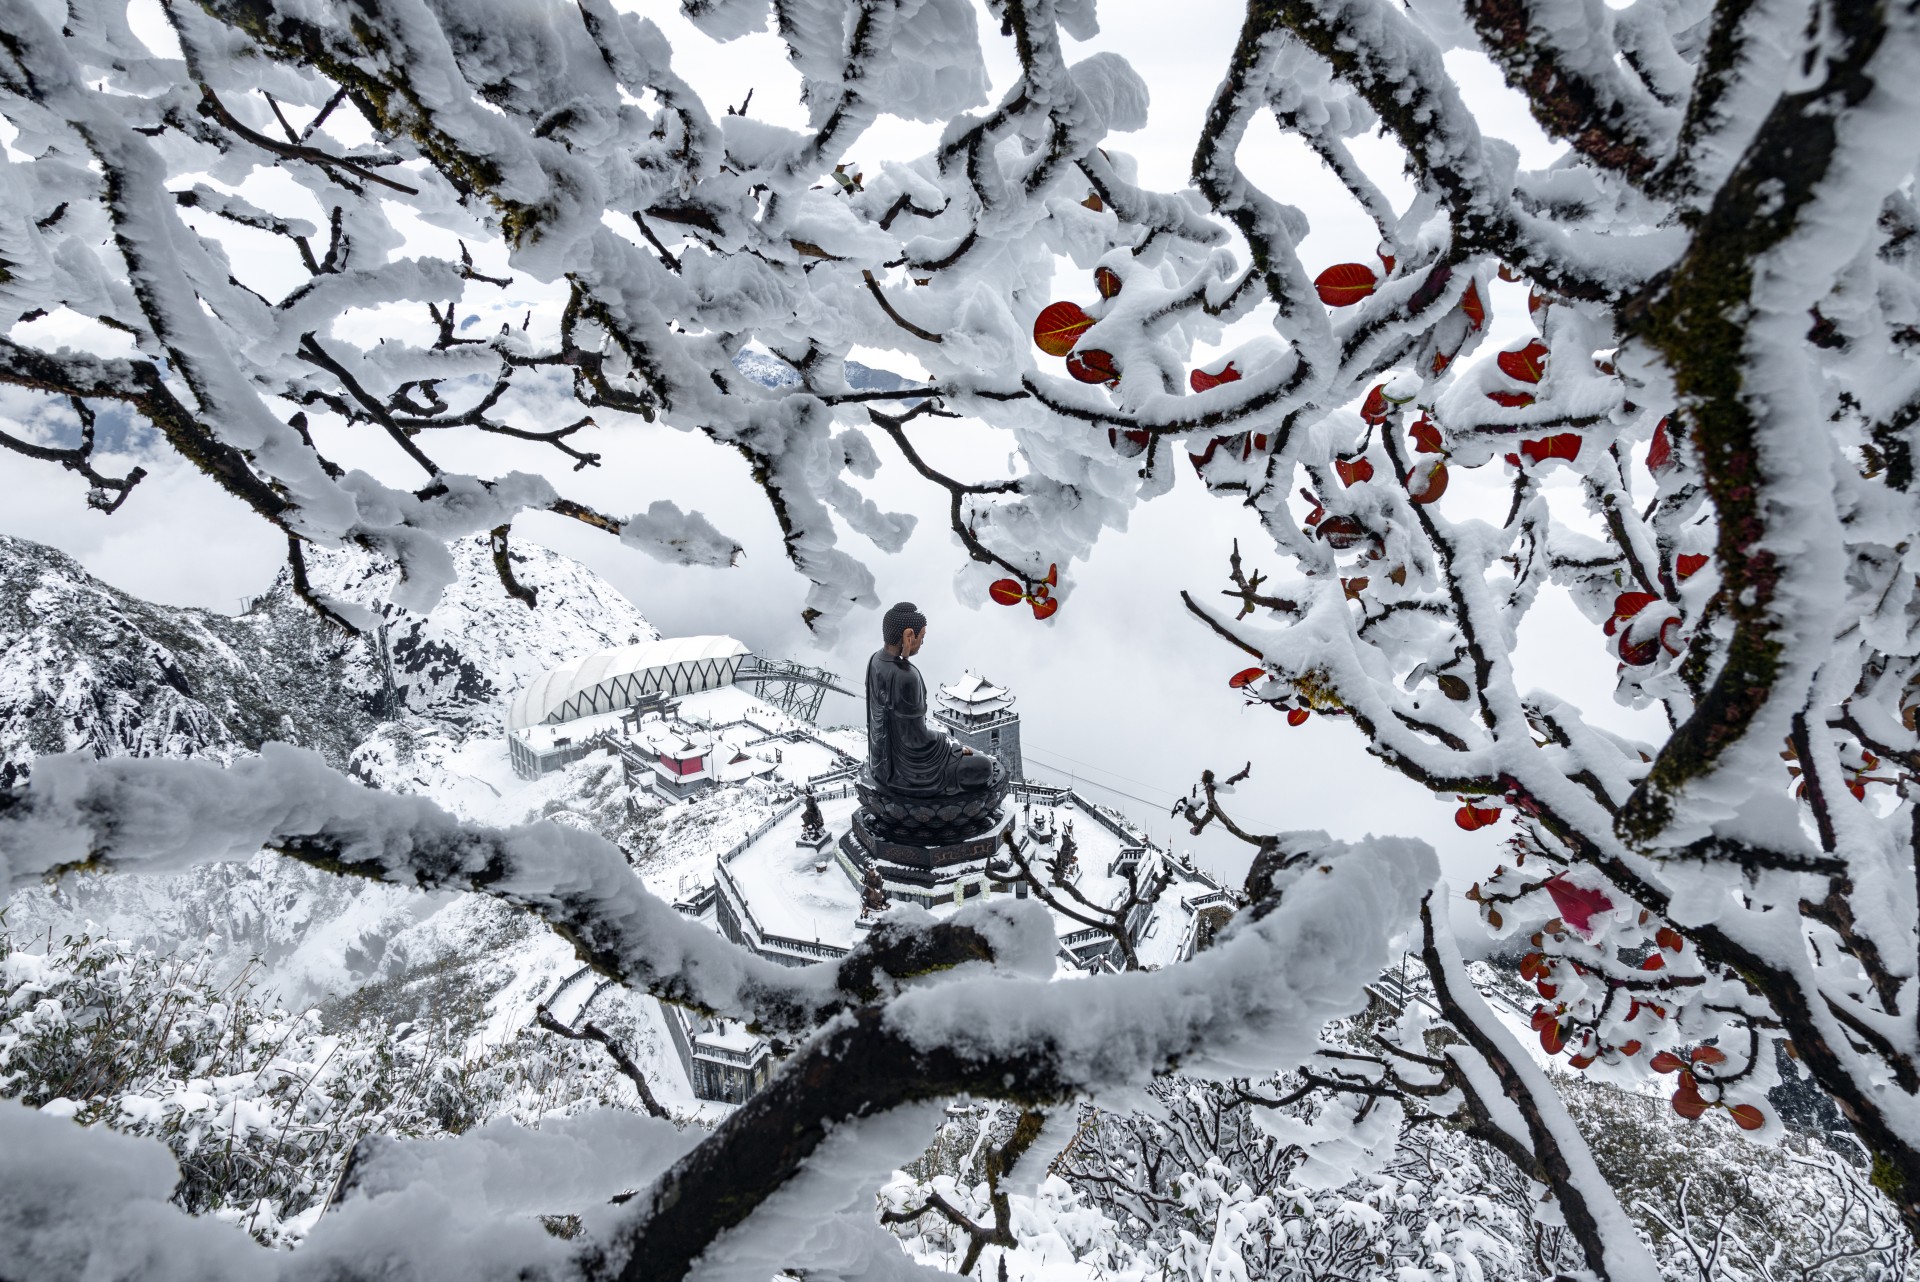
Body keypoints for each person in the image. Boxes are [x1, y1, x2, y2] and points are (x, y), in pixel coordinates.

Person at [865, 602, 997, 797]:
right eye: (922, 637)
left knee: (966, 752)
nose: (923, 642)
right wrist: (948, 742)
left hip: (880, 767)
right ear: (909, 636)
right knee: (984, 766)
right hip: (910, 774)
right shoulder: (906, 675)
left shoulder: (874, 660)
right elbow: (916, 741)